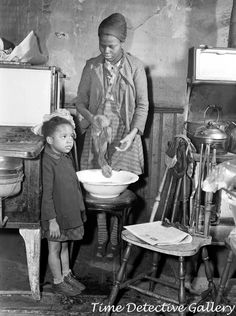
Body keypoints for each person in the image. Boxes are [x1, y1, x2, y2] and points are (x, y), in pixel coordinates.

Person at [75, 13, 149, 259]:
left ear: (122, 43)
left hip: (124, 135)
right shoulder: (91, 65)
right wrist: (92, 117)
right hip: (98, 135)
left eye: (112, 45)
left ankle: (116, 237)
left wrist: (134, 132)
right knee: (98, 188)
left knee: (116, 188)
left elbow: (142, 104)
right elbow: (80, 102)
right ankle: (103, 235)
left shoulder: (136, 66)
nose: (106, 50)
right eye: (102, 45)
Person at [41, 116, 87, 296]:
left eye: (71, 136)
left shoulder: (65, 157)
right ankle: (57, 281)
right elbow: (46, 195)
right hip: (55, 216)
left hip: (67, 213)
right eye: (64, 136)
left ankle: (67, 274)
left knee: (65, 245)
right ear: (50, 140)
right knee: (54, 248)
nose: (70, 140)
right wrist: (52, 220)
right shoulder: (47, 162)